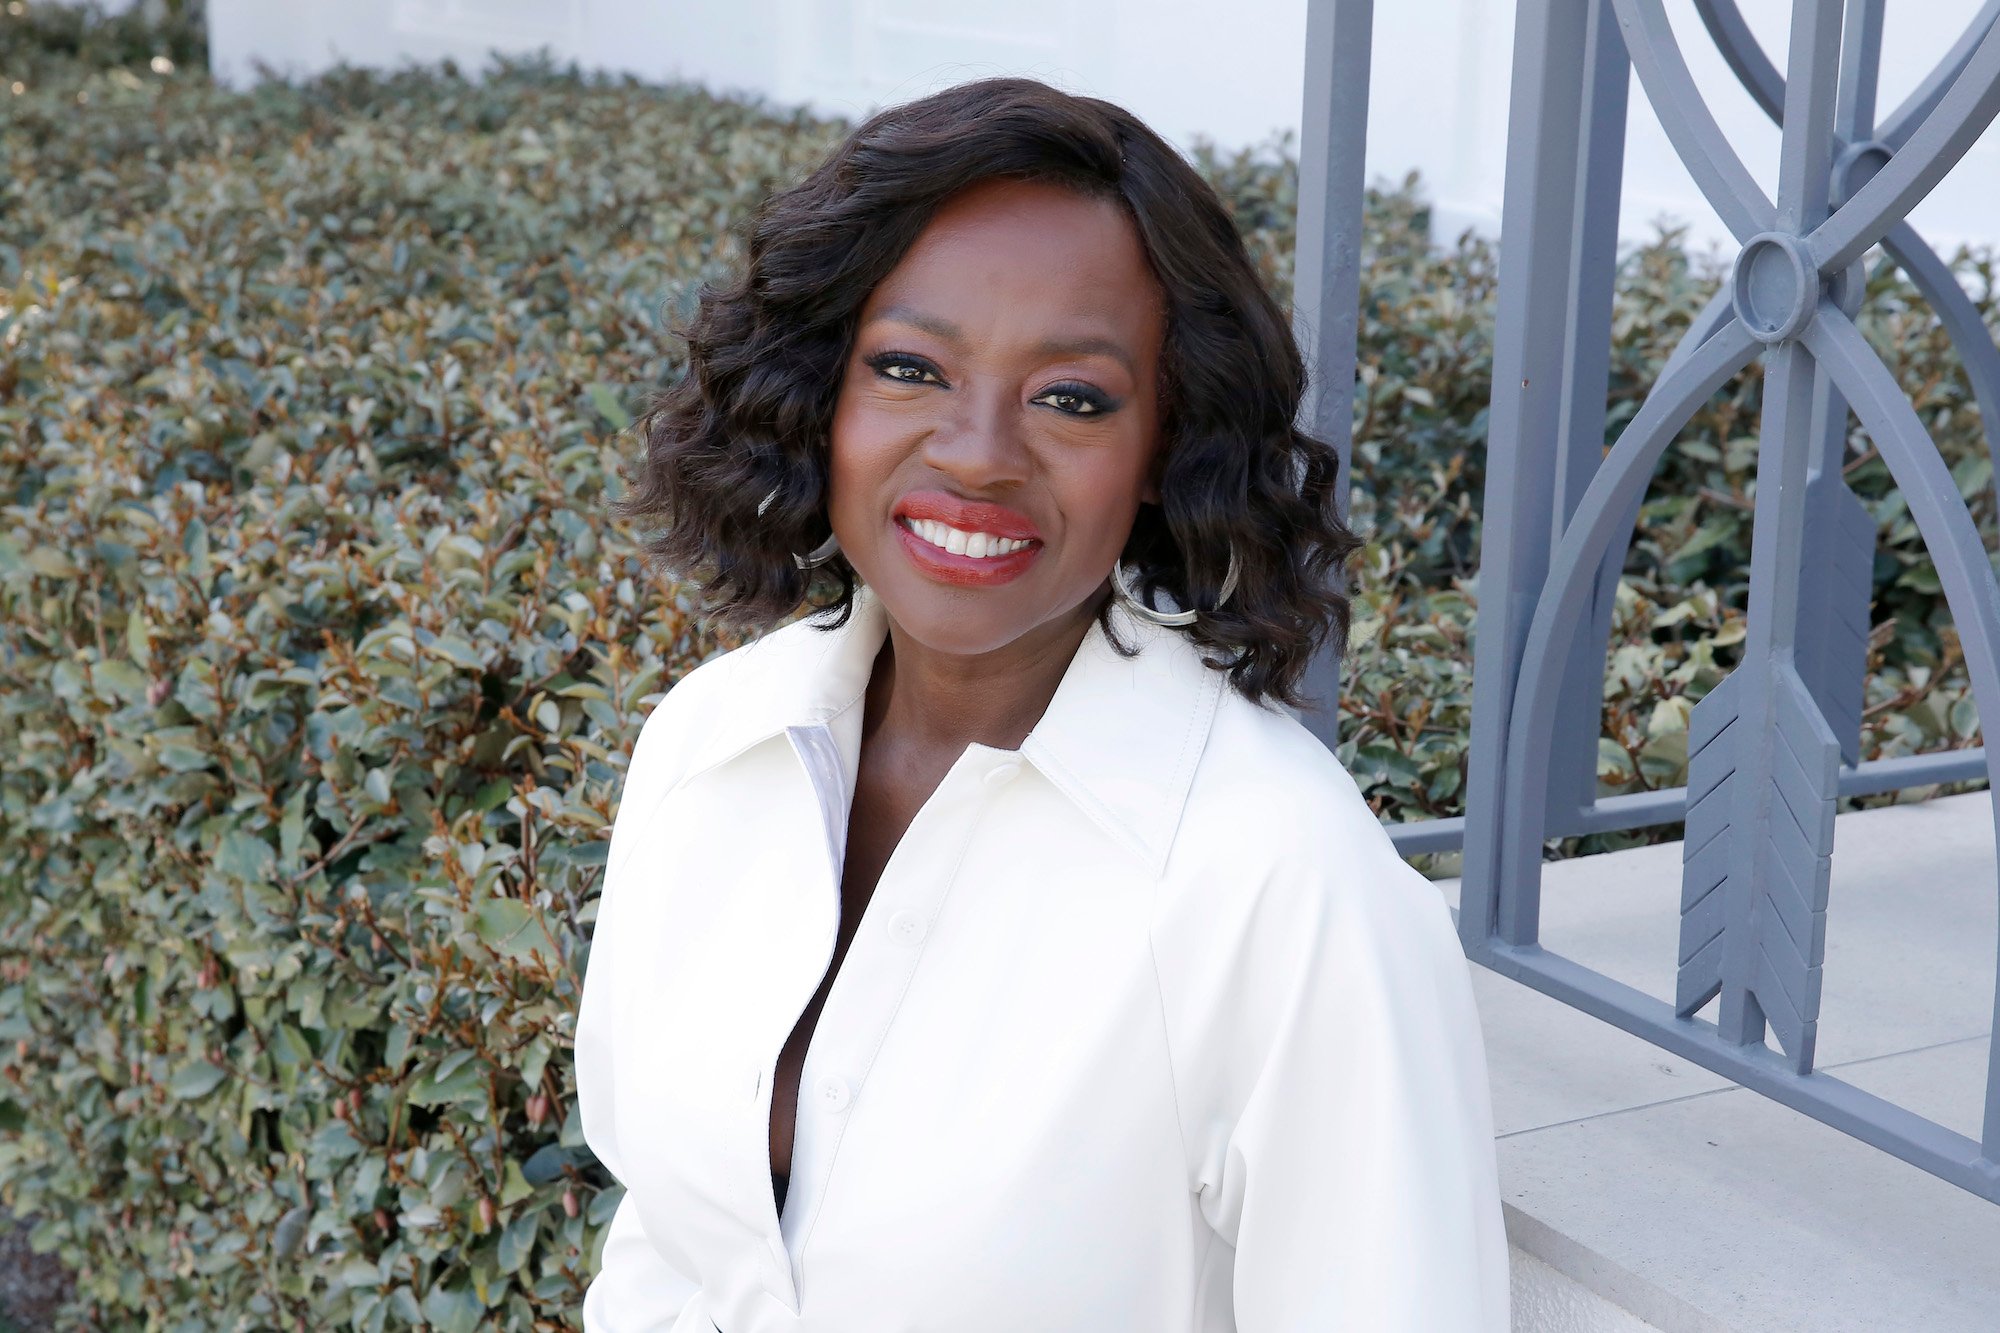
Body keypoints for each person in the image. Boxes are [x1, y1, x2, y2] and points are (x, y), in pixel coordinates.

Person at [575, 75, 1509, 1333]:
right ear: (819, 398)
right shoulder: (708, 743)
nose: (975, 453)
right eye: (909, 367)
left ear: (1168, 445)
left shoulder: (1273, 881)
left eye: (1071, 397)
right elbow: (671, 1243)